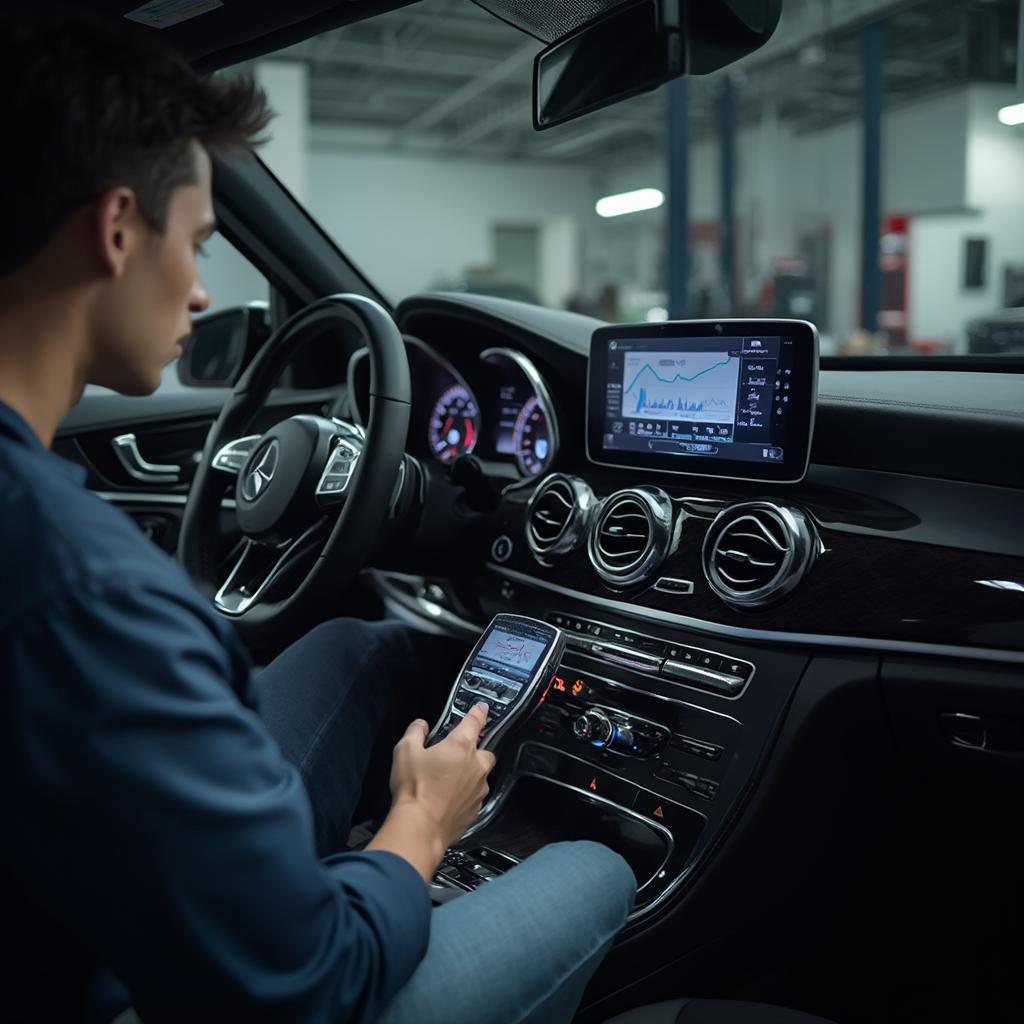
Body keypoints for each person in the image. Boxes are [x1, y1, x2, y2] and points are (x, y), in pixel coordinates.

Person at [0, 13, 636, 1024]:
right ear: (117, 229)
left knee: (364, 647)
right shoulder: (85, 590)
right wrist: (419, 826)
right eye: (199, 244)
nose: (204, 291)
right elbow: (311, 980)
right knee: (598, 866)